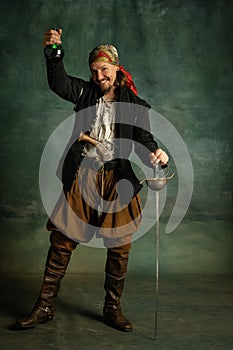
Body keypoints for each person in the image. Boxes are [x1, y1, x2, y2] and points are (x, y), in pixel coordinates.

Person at [14, 29, 169, 332]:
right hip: (83, 174)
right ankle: (45, 307)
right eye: (95, 71)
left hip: (118, 179)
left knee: (120, 246)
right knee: (61, 240)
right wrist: (54, 52)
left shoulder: (135, 104)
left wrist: (154, 152)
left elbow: (144, 136)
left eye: (104, 70)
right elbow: (58, 82)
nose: (99, 76)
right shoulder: (84, 93)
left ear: (116, 68)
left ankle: (112, 309)